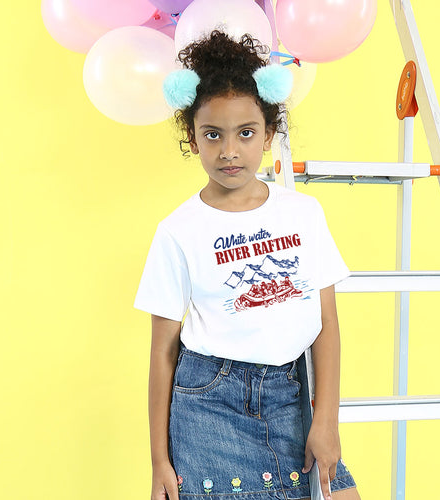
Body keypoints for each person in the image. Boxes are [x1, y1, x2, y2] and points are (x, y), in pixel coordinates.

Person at [134, 31, 361, 500]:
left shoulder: (303, 213)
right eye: (212, 134)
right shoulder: (178, 230)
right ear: (192, 140)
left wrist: (327, 420)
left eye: (245, 133)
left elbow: (327, 323)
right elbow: (162, 352)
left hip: (291, 394)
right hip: (210, 404)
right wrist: (159, 459)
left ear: (269, 134)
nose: (229, 151)